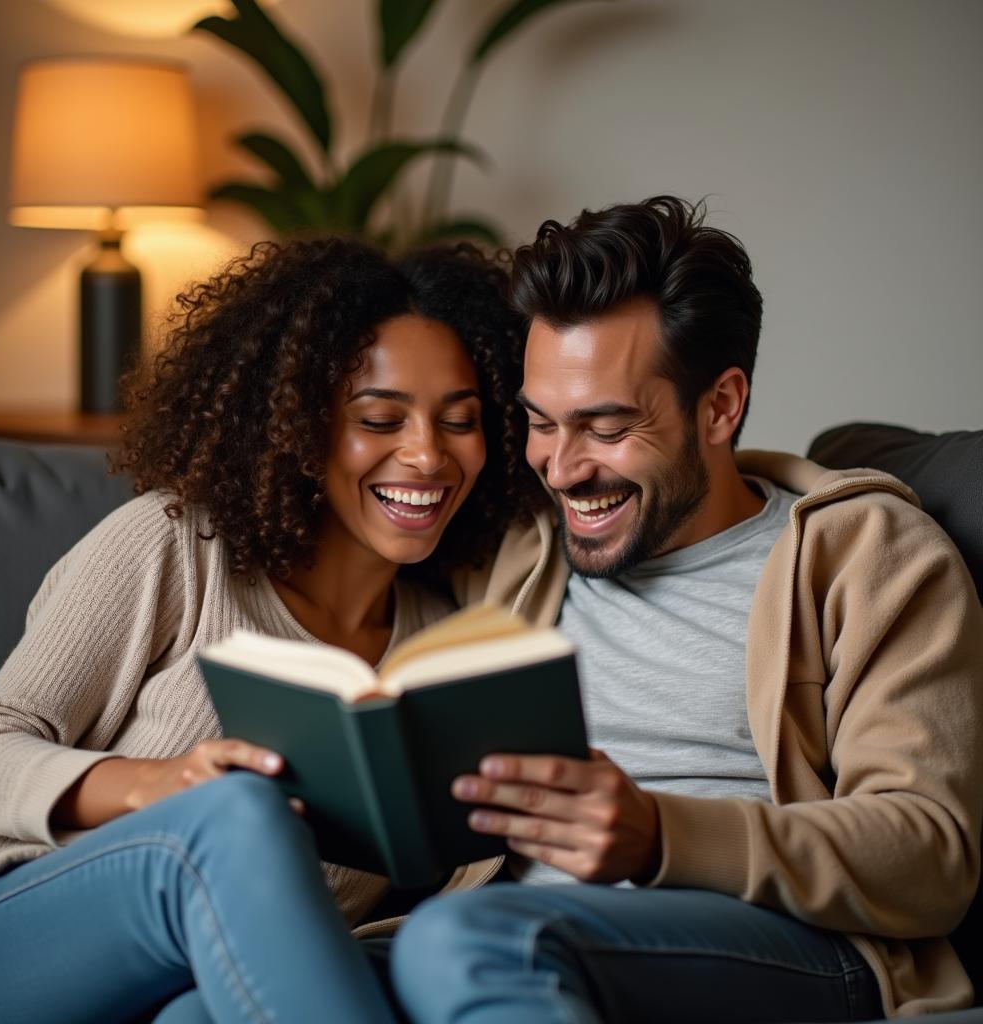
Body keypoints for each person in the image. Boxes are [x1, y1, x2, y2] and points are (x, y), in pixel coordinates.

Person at [390, 196, 983, 1022]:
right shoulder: (525, 552)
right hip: (517, 925)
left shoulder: (868, 555)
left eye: (605, 426)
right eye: (540, 424)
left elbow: (930, 854)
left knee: (467, 939)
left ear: (720, 405)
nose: (560, 469)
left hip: (788, 942)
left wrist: (662, 836)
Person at [0, 237, 538, 1023]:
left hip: (217, 978)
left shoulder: (443, 647)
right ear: (301, 423)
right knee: (237, 814)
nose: (427, 454)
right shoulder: (175, 547)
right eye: (379, 418)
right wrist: (154, 786)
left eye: (461, 421)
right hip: (14, 934)